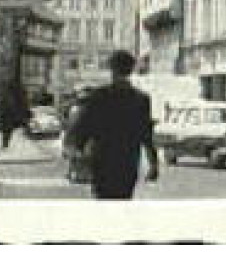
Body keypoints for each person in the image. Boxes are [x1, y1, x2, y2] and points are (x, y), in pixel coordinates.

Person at [65, 50, 160, 200]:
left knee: (103, 204)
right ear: (131, 70)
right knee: (123, 201)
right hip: (128, 161)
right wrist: (153, 164)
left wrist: (77, 150)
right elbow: (146, 134)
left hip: (102, 160)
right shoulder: (141, 99)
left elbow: (83, 127)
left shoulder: (99, 96)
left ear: (112, 69)